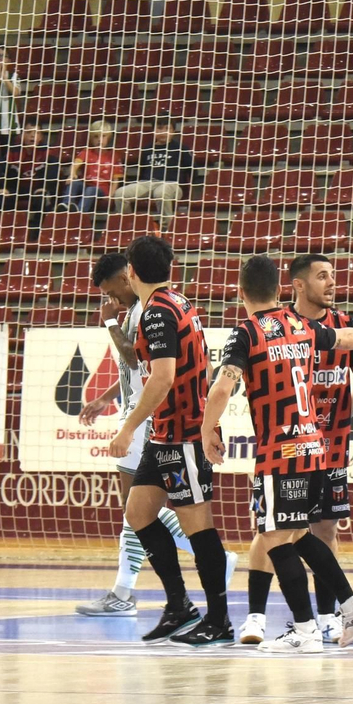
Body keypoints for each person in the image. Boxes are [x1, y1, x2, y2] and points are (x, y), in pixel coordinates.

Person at [202, 254, 353, 654]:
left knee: (274, 538)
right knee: (299, 534)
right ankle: (351, 604)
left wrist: (208, 428)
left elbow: (223, 387)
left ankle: (306, 629)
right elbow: (344, 339)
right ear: (280, 289)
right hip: (315, 448)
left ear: (241, 293)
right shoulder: (301, 325)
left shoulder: (246, 333)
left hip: (280, 449)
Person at [75, 252, 235, 616]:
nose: (110, 298)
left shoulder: (145, 311)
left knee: (139, 509)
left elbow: (140, 362)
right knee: (138, 510)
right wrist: (108, 397)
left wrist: (109, 322)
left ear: (127, 276)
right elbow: (142, 369)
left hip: (154, 419)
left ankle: (133, 591)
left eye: (110, 290)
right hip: (152, 414)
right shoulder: (162, 305)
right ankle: (144, 592)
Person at [112, 125, 195, 228]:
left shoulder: (181, 148)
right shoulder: (147, 149)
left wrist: (186, 190)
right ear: (154, 130)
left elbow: (192, 170)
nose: (163, 132)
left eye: (167, 128)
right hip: (147, 183)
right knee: (120, 194)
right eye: (159, 128)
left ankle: (166, 228)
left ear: (173, 131)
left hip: (171, 184)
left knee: (161, 193)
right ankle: (129, 226)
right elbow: (142, 170)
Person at [60, 121, 120, 213]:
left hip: (101, 189)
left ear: (109, 137)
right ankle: (66, 206)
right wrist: (72, 175)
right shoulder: (86, 152)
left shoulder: (113, 156)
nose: (99, 140)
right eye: (96, 137)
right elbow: (75, 165)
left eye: (103, 136)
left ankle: (79, 212)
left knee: (91, 190)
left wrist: (110, 195)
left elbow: (116, 180)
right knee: (75, 183)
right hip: (86, 184)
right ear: (91, 138)